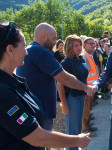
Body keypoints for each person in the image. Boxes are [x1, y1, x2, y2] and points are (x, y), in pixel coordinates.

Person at [0, 21, 91, 150]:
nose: (26, 52)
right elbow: (37, 137)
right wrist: (77, 140)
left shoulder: (12, 81)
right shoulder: (4, 92)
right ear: (10, 50)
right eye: (23, 46)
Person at [57, 35, 88, 150]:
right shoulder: (66, 62)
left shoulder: (81, 59)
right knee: (72, 130)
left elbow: (83, 80)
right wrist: (64, 103)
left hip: (80, 97)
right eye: (76, 45)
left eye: (80, 45)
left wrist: (87, 97)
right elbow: (59, 84)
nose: (79, 47)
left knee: (77, 128)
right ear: (69, 47)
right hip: (72, 98)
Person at [81, 37, 99, 135]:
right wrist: (87, 90)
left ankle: (87, 126)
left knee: (88, 109)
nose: (93, 45)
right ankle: (84, 131)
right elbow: (84, 75)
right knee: (85, 110)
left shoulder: (90, 55)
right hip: (87, 89)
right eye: (90, 43)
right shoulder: (84, 57)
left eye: (94, 43)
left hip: (91, 88)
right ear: (85, 45)